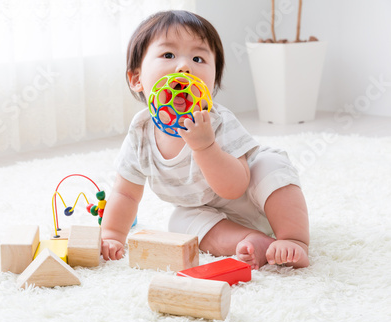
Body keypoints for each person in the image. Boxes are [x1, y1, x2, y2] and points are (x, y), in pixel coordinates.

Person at [100, 10, 310, 269]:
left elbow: (235, 187)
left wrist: (205, 147)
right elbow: (126, 193)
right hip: (208, 211)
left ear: (212, 82)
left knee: (270, 165)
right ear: (136, 79)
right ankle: (251, 240)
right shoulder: (140, 132)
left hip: (254, 197)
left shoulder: (219, 120)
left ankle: (294, 240)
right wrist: (112, 235)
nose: (184, 66)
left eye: (198, 58)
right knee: (179, 223)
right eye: (168, 55)